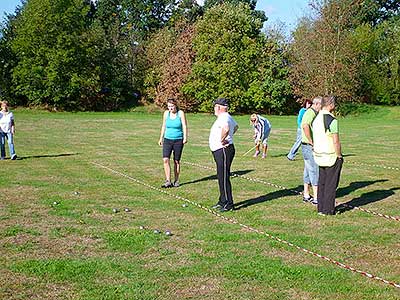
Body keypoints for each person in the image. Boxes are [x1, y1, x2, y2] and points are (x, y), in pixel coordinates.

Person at [312, 96, 343, 215]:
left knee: (322, 183)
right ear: (331, 105)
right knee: (331, 184)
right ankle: (328, 210)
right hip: (330, 155)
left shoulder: (316, 118)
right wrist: (339, 155)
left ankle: (320, 208)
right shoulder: (331, 119)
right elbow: (336, 140)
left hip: (319, 155)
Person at [209, 98, 238, 212]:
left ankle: (228, 204)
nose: (214, 109)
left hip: (223, 150)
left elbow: (226, 128)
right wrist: (229, 136)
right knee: (221, 176)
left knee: (224, 177)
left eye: (215, 106)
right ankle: (222, 200)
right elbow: (235, 127)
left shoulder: (224, 117)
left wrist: (223, 139)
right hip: (220, 150)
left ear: (219, 107)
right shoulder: (227, 117)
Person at [158, 99, 188, 188]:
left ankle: (176, 180)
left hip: (178, 140)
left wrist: (185, 137)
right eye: (169, 106)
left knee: (176, 161)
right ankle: (168, 181)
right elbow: (163, 126)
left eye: (172, 106)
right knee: (165, 159)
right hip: (167, 139)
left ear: (175, 106)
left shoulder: (181, 113)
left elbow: (184, 125)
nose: (170, 108)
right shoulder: (166, 114)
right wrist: (161, 138)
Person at [300, 96, 322, 204]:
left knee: (308, 170)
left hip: (305, 146)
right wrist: (311, 141)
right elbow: (305, 126)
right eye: (321, 106)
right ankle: (317, 197)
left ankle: (306, 194)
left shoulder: (312, 113)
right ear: (316, 104)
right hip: (308, 146)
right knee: (314, 170)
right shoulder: (311, 113)